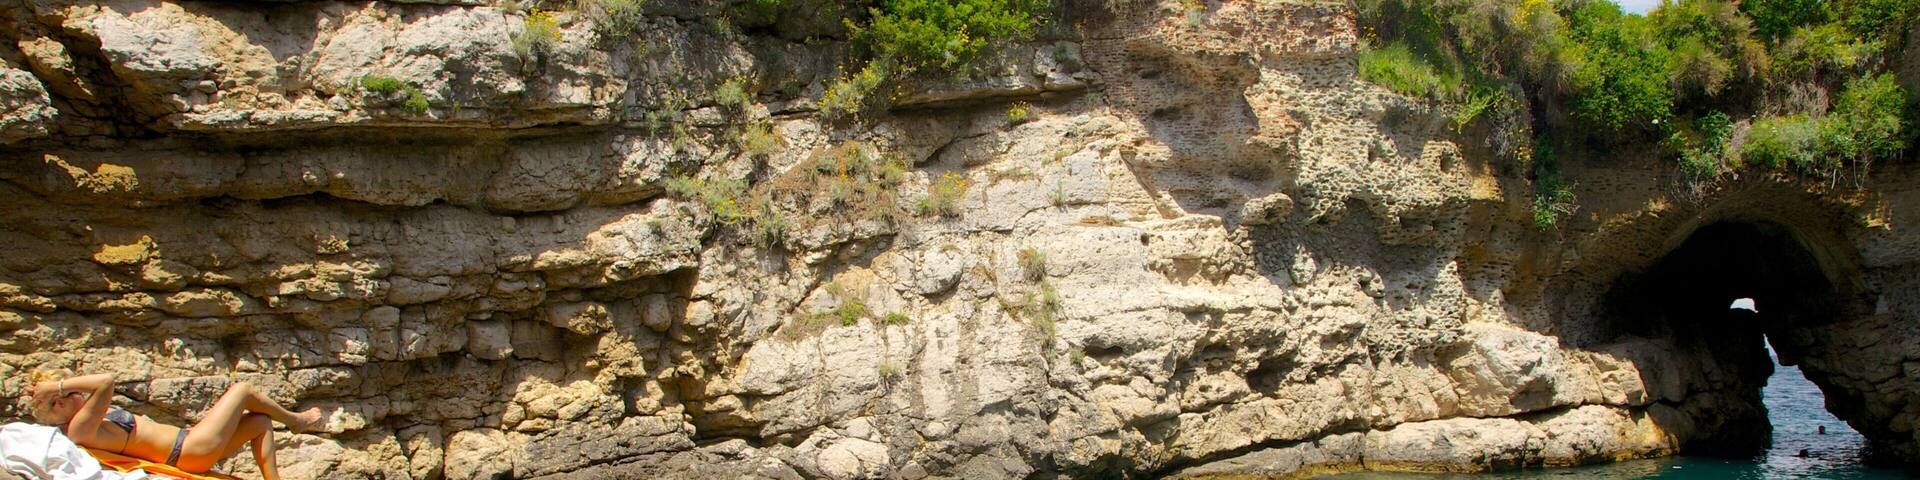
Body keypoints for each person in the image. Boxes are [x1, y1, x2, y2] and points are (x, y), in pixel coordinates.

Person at [23, 370, 325, 480]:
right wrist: (55, 385)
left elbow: (98, 386)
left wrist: (54, 387)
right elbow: (105, 381)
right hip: (187, 452)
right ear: (59, 403)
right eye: (72, 393)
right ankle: (296, 421)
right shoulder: (79, 428)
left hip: (190, 444)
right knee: (243, 391)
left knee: (259, 421)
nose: (82, 393)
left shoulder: (88, 419)